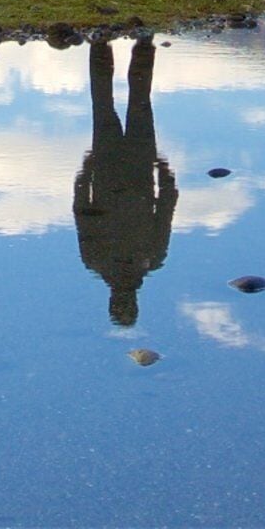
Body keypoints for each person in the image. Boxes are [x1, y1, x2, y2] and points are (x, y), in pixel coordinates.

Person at [71, 33, 178, 327]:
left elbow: (82, 213)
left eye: (120, 305)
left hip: (109, 169)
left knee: (106, 104)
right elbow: (164, 214)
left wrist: (83, 176)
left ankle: (102, 43)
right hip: (138, 170)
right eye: (127, 306)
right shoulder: (152, 258)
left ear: (111, 301)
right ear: (135, 303)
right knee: (133, 103)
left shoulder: (95, 260)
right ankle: (138, 43)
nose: (123, 300)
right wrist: (167, 180)